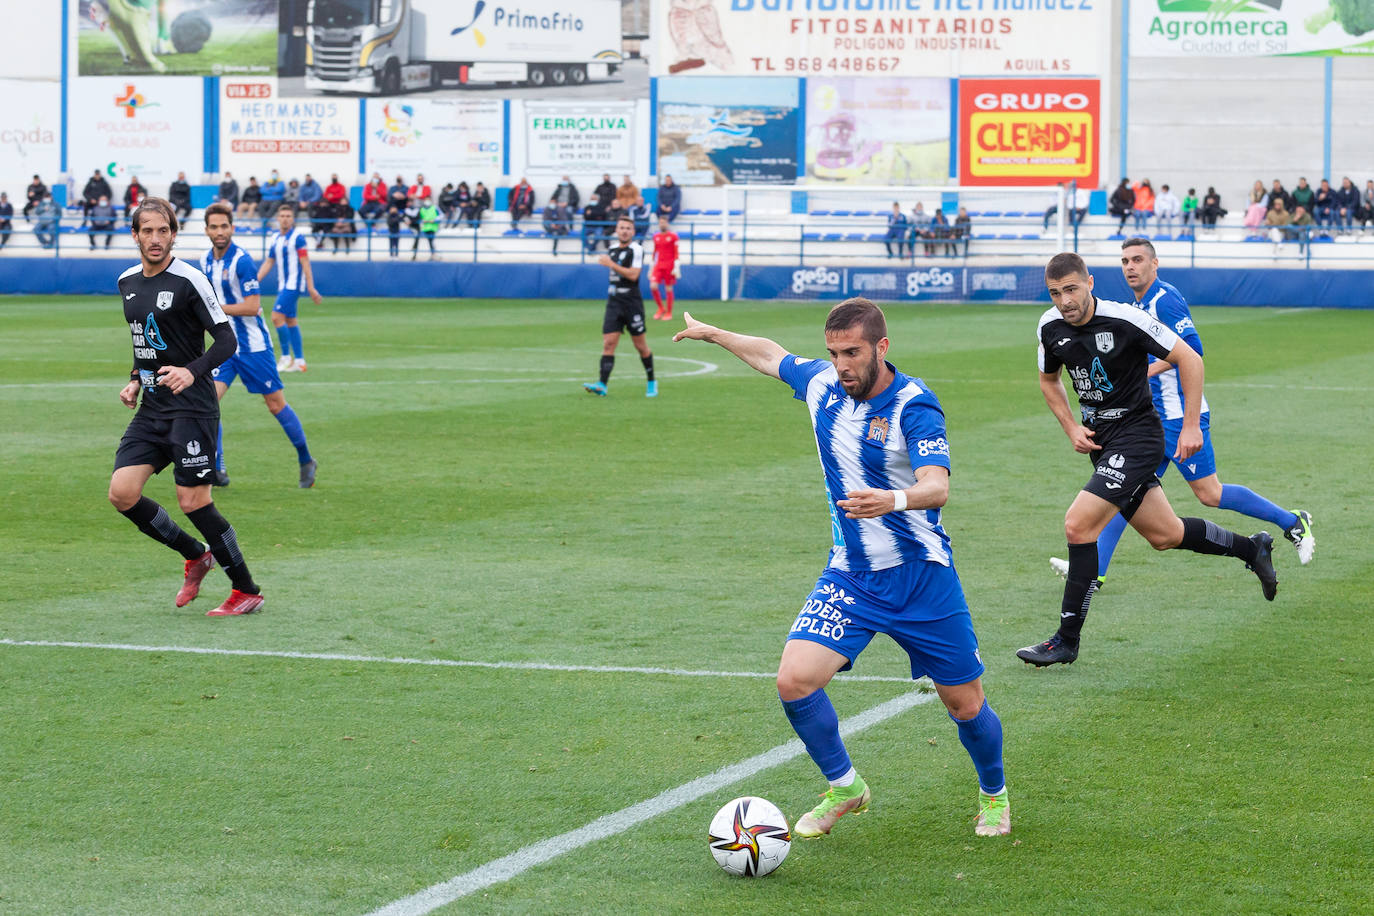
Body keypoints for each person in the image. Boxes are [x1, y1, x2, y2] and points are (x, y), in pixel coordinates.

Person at [671, 297, 1012, 838]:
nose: (841, 365)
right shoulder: (824, 386)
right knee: (794, 681)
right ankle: (846, 787)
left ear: (881, 347)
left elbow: (936, 485)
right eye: (833, 353)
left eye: (851, 352)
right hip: (851, 574)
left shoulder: (914, 404)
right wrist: (716, 335)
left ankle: (994, 795)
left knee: (966, 704)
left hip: (921, 576)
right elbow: (771, 356)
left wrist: (891, 500)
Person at [1016, 252, 1278, 668]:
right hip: (1103, 444)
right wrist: (1070, 427)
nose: (1064, 300)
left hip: (1138, 438)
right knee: (1166, 535)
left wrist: (1191, 425)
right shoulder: (1049, 326)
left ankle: (1065, 640)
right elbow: (1049, 381)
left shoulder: (1125, 320)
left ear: (1090, 283)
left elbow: (1189, 357)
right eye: (1055, 292)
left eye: (1071, 289)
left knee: (1077, 524)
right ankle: (1252, 549)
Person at [1048, 238, 1314, 590]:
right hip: (1148, 423)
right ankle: (1094, 571)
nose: (1130, 267)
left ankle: (1292, 520)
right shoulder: (1135, 305)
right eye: (1125, 260)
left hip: (1178, 416)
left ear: (1154, 264)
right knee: (1122, 491)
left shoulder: (1165, 299)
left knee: (1209, 493)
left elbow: (1194, 351)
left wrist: (1149, 373)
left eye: (1138, 260)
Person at [109, 197, 264, 617]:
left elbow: (227, 340)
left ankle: (246, 589)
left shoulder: (190, 280)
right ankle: (195, 554)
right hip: (152, 408)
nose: (155, 239)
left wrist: (191, 371)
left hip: (192, 408)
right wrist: (132, 380)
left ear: (174, 234)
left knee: (193, 501)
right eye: (147, 231)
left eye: (163, 231)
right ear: (135, 235)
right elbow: (147, 342)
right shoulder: (126, 282)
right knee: (122, 494)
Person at [200, 202, 317, 490]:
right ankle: (217, 466)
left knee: (275, 404)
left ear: (232, 228)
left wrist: (214, 309)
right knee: (207, 402)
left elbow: (253, 307)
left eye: (224, 226)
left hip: (253, 346)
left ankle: (305, 459)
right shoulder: (205, 261)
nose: (219, 232)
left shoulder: (241, 261)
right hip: (225, 347)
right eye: (214, 227)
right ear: (206, 230)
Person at [583, 215, 656, 399]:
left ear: (633, 231)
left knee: (640, 346)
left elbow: (633, 275)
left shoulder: (636, 250)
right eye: (621, 227)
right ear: (616, 230)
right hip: (614, 301)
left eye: (628, 228)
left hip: (632, 302)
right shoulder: (613, 249)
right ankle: (602, 384)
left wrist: (611, 264)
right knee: (608, 344)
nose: (624, 231)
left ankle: (651, 381)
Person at [257, 204, 323, 373]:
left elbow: (305, 262)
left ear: (292, 219)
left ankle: (286, 357)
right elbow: (269, 261)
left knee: (276, 317)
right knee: (290, 320)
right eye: (282, 216)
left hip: (293, 285)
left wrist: (311, 286)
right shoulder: (275, 238)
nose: (285, 219)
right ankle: (300, 361)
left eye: (288, 216)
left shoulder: (298, 238)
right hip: (283, 285)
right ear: (278, 218)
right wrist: (255, 281)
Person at [650, 214, 679, 320]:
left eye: (664, 222)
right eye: (660, 222)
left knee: (668, 288)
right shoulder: (656, 236)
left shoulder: (673, 236)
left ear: (667, 223)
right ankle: (661, 308)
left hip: (669, 266)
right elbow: (655, 251)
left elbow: (676, 252)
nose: (662, 224)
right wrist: (652, 264)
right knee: (653, 286)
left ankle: (669, 313)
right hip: (658, 265)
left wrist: (676, 266)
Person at [411, 196, 439, 260]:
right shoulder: (421, 209)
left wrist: (434, 220)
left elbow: (441, 215)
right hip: (424, 228)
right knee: (419, 241)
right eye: (426, 200)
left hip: (433, 228)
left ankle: (433, 255)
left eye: (428, 199)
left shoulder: (435, 208)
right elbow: (417, 218)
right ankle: (414, 255)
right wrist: (422, 221)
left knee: (431, 242)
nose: (427, 201)